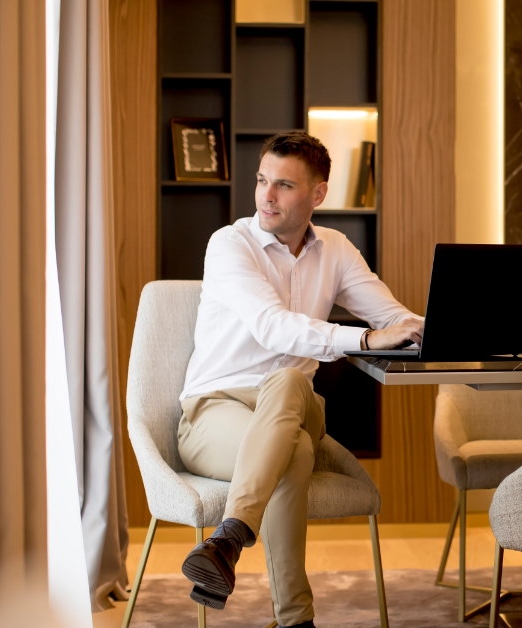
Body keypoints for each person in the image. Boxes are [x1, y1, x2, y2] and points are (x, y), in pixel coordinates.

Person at [177, 131, 423, 628]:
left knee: (288, 383)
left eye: (284, 185)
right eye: (262, 180)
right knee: (295, 453)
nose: (267, 195)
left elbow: (392, 318)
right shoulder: (230, 244)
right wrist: (366, 340)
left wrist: (441, 334)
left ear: (318, 194)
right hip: (212, 413)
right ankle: (296, 621)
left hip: (294, 407)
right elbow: (272, 326)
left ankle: (228, 537)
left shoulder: (335, 248)